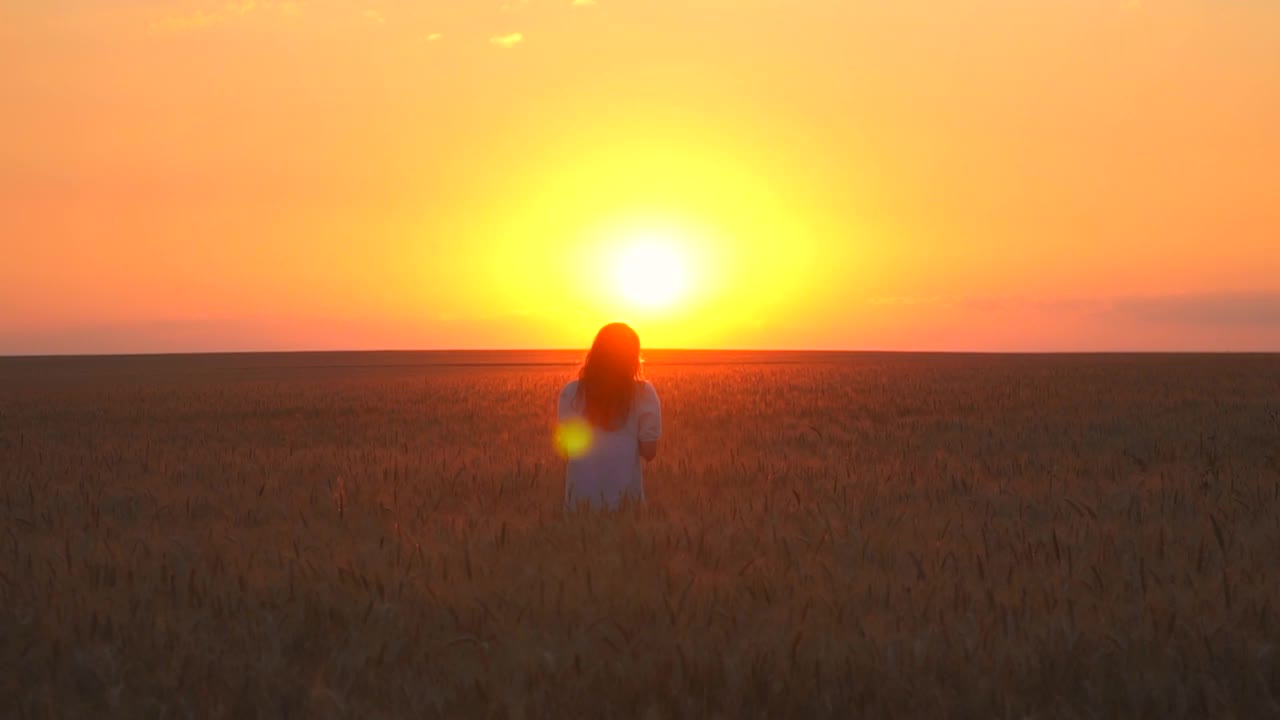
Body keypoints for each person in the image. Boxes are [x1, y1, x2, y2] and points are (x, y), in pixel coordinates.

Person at [556, 322, 662, 510]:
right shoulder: (644, 393)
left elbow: (567, 450)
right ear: (632, 357)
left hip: (579, 504)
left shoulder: (570, 393)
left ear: (596, 353)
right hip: (626, 504)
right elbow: (649, 452)